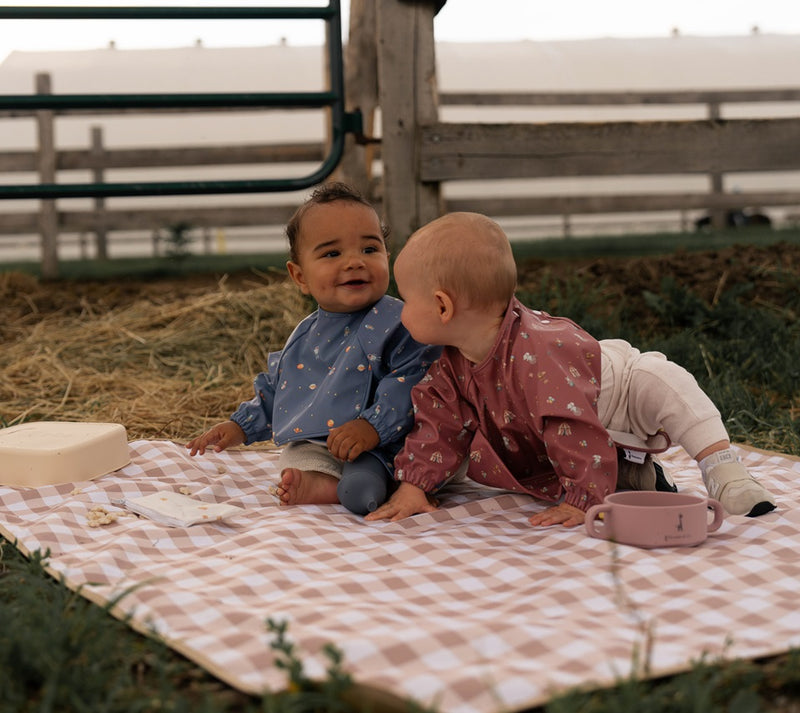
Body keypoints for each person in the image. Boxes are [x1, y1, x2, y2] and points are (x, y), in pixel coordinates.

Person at [365, 211, 776, 527]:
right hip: (579, 437)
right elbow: (438, 426)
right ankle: (635, 478)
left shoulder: (538, 351)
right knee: (551, 454)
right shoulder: (449, 365)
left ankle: (723, 470)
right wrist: (414, 486)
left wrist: (582, 499)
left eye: (406, 299)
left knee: (662, 380)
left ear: (442, 306)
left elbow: (571, 423)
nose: (400, 311)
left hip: (618, 395)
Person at [186, 183, 440, 515]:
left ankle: (353, 487)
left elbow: (412, 381)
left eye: (369, 249)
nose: (354, 262)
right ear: (300, 276)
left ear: (386, 257)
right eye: (332, 254)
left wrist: (372, 427)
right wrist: (240, 426)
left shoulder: (398, 322)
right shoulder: (306, 334)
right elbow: (281, 390)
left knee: (362, 487)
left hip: (390, 440)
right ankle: (319, 481)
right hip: (327, 442)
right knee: (296, 453)